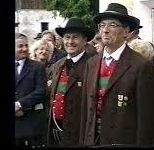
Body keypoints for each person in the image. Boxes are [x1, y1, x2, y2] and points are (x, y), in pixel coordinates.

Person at [81, 3, 154, 146]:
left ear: (126, 31)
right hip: (93, 140)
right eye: (102, 25)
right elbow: (86, 110)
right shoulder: (91, 63)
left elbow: (147, 117)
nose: (105, 30)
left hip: (122, 141)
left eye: (112, 25)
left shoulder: (141, 65)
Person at [46, 18, 95, 146]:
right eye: (67, 37)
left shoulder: (93, 65)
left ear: (85, 40)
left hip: (78, 133)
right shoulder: (57, 65)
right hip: (54, 132)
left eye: (75, 37)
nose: (70, 42)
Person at [15, 32, 47, 147]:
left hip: (32, 124)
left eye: (26, 45)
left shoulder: (37, 67)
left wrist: (19, 104)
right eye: (20, 46)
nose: (24, 49)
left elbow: (41, 91)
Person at [29, 39, 55, 145]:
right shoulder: (28, 67)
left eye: (47, 50)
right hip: (29, 109)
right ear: (35, 51)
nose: (44, 52)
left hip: (46, 109)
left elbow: (52, 87)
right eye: (41, 49)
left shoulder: (53, 68)